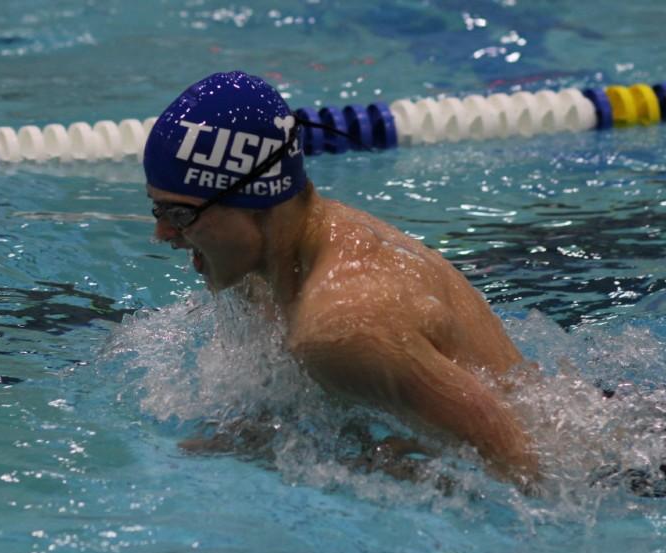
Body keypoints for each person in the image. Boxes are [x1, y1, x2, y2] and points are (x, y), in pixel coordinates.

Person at [143, 71, 541, 489]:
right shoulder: (265, 260)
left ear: (258, 201)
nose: (163, 235)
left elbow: (526, 471)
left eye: (180, 215)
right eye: (158, 211)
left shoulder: (341, 329)